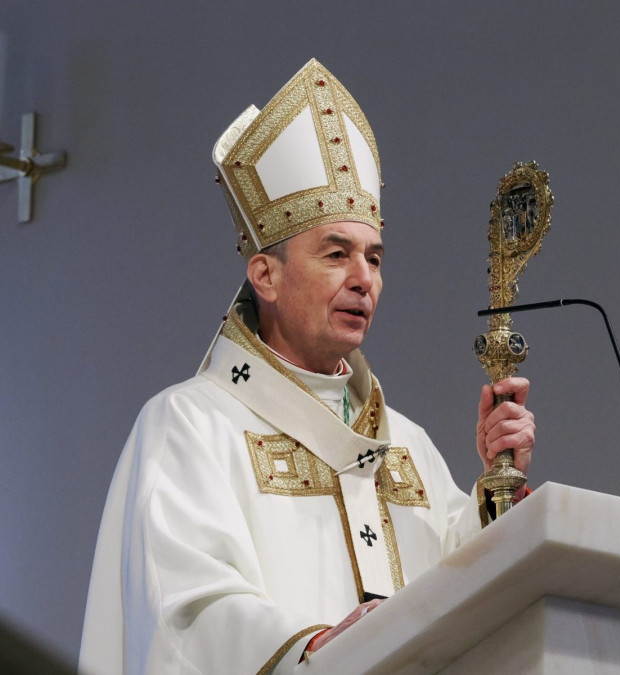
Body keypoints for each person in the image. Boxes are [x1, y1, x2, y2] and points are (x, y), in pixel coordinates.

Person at [79, 58, 535, 675]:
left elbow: (470, 605)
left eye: (374, 258)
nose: (363, 279)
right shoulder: (189, 424)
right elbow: (184, 608)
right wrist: (312, 649)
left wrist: (497, 494)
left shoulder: (409, 446)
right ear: (265, 276)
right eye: (336, 254)